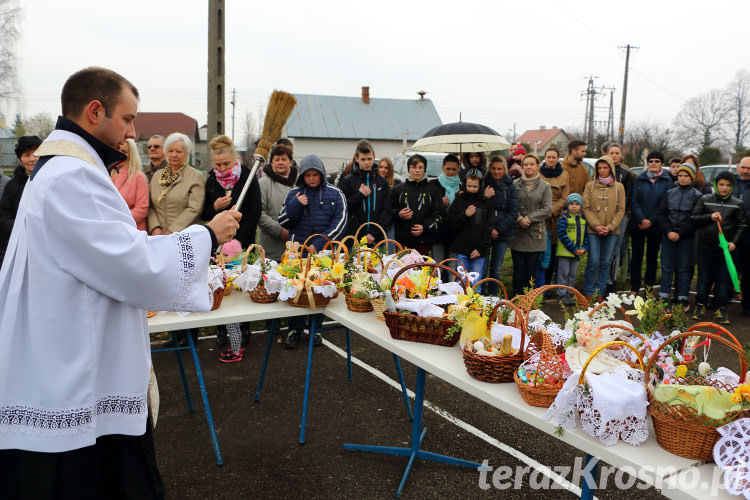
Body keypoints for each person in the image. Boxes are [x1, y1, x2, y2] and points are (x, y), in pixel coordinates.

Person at [0, 67, 240, 500]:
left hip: (60, 355)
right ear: (95, 111)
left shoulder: (59, 170)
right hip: (76, 375)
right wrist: (207, 234)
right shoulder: (74, 177)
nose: (133, 131)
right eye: (128, 119)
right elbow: (132, 264)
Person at [202, 134, 261, 359]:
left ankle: (244, 329)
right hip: (218, 246)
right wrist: (215, 205)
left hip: (241, 243)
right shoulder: (210, 180)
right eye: (218, 164)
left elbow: (254, 211)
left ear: (235, 160)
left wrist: (239, 241)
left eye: (227, 164)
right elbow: (206, 213)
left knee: (239, 287)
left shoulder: (247, 177)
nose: (223, 168)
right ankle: (220, 330)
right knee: (219, 286)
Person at [279, 154, 347, 349]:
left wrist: (320, 243)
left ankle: (315, 330)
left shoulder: (335, 193)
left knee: (318, 292)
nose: (311, 178)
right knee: (297, 292)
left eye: (314, 174)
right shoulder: (294, 194)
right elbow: (283, 221)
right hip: (297, 255)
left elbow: (340, 223)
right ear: (302, 175)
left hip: (322, 255)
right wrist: (296, 205)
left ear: (321, 174)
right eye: (307, 175)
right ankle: (294, 329)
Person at [148, 132, 205, 347]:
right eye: (170, 150)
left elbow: (194, 208)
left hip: (184, 240)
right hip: (160, 239)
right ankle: (174, 334)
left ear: (186, 154)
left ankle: (190, 335)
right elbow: (152, 206)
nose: (173, 155)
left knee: (187, 287)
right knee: (169, 286)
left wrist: (172, 230)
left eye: (178, 151)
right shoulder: (157, 176)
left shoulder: (194, 176)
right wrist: (155, 229)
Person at [690, 171, 746, 325]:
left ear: (732, 187)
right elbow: (694, 218)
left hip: (726, 250)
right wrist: (710, 217)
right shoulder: (705, 199)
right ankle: (700, 305)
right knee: (704, 278)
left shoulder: (737, 203)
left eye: (728, 185)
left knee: (723, 280)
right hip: (706, 247)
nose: (724, 188)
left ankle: (720, 308)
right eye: (721, 184)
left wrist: (733, 242)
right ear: (715, 185)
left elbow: (742, 225)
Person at [655, 164, 702, 307]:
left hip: (686, 238)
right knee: (667, 266)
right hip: (668, 236)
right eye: (680, 175)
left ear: (692, 177)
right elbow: (661, 214)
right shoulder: (669, 193)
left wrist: (680, 233)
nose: (682, 178)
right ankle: (663, 295)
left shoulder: (697, 196)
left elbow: (695, 218)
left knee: (683, 268)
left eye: (686, 176)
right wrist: (669, 231)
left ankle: (682, 296)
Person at [582, 156, 626, 300]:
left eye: (605, 167)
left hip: (612, 231)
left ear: (611, 169)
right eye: (599, 168)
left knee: (606, 261)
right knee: (593, 260)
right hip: (593, 229)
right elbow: (586, 208)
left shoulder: (619, 187)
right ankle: (588, 291)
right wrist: (596, 225)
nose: (602, 171)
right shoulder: (590, 186)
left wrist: (610, 227)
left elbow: (621, 209)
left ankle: (600, 292)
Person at [629, 151, 671, 295]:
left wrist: (651, 221)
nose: (653, 163)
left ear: (662, 164)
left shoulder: (667, 180)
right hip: (638, 225)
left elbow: (664, 204)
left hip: (656, 226)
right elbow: (634, 201)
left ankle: (648, 289)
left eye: (657, 161)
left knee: (652, 258)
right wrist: (641, 219)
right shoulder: (640, 178)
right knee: (636, 257)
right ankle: (634, 288)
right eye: (651, 161)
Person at [509, 154, 552, 296]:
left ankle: (530, 301)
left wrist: (529, 218)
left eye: (532, 164)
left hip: (535, 234)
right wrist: (519, 219)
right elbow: (510, 206)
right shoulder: (515, 185)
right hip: (518, 233)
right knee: (518, 269)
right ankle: (517, 299)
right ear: (522, 167)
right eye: (526, 164)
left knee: (531, 270)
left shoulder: (545, 186)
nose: (529, 167)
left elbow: (546, 209)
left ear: (538, 166)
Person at [446, 168, 493, 291]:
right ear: (464, 185)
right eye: (469, 186)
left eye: (475, 186)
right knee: (462, 283)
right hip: (461, 249)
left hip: (479, 250)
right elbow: (451, 224)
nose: (472, 189)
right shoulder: (459, 201)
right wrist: (465, 215)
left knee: (476, 284)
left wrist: (481, 248)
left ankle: (476, 307)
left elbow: (489, 228)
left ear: (480, 185)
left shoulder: (486, 203)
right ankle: (461, 307)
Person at [338, 139, 392, 244]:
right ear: (356, 159)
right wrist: (359, 195)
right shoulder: (346, 181)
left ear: (374, 157)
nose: (367, 162)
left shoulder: (382, 182)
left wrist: (374, 233)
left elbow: (387, 210)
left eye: (369, 159)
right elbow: (342, 208)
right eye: (363, 159)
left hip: (376, 239)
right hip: (353, 239)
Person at [0, 135, 41, 262]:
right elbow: (4, 217)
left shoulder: (51, 181)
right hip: (18, 247)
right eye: (27, 155)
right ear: (20, 159)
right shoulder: (12, 185)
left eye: (36, 154)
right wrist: (22, 227)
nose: (32, 159)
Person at [390, 154, 443, 254]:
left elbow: (439, 216)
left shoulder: (433, 190)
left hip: (424, 243)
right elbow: (388, 212)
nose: (417, 170)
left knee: (423, 269)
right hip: (402, 242)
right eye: (414, 167)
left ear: (425, 169)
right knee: (402, 269)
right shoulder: (398, 189)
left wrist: (425, 227)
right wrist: (399, 214)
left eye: (420, 167)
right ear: (409, 169)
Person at [483, 156, 518, 295]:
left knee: (496, 267)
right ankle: (480, 294)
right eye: (493, 168)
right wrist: (485, 196)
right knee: (483, 266)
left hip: (503, 233)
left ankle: (492, 295)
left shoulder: (510, 186)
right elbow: (479, 207)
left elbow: (513, 212)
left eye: (499, 169)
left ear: (504, 170)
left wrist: (498, 229)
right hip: (485, 231)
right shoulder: (484, 184)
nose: (496, 171)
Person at [258, 144, 298, 262]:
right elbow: (259, 213)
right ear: (271, 163)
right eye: (277, 159)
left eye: (284, 159)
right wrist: (279, 231)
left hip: (295, 246)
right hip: (271, 247)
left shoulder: (298, 183)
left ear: (290, 162)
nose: (280, 163)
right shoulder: (263, 183)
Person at [605, 143, 634, 291]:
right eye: (611, 152)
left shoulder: (626, 174)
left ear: (621, 155)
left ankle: (611, 280)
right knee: (602, 249)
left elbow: (628, 198)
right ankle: (601, 280)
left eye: (617, 153)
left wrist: (618, 214)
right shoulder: (601, 171)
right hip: (602, 216)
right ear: (607, 154)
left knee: (615, 250)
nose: (614, 155)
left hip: (619, 217)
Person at [539, 146, 570, 285]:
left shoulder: (564, 175)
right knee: (541, 249)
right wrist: (545, 211)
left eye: (553, 157)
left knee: (553, 249)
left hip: (556, 216)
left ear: (558, 159)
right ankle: (539, 282)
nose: (551, 159)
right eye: (548, 157)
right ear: (544, 158)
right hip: (541, 215)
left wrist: (553, 210)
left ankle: (550, 281)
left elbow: (565, 196)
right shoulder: (538, 173)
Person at [556, 193, 589, 304]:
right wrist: (573, 248)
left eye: (577, 204)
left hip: (577, 253)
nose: (574, 206)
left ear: (580, 206)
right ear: (567, 205)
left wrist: (584, 248)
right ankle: (561, 294)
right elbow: (562, 234)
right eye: (571, 204)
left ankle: (569, 294)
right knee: (563, 274)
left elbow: (587, 236)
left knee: (572, 274)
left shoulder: (584, 219)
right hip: (565, 252)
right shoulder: (564, 218)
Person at [429, 154, 461, 266]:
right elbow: (427, 208)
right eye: (448, 169)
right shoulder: (433, 184)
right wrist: (440, 203)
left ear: (458, 169)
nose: (451, 172)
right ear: (443, 168)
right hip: (438, 232)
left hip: (456, 233)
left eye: (454, 169)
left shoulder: (462, 186)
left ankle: (452, 284)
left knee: (453, 267)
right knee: (438, 266)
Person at [111, 138, 149, 230]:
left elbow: (142, 209)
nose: (119, 154)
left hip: (132, 229)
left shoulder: (139, 177)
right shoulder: (107, 174)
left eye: (124, 151)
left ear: (132, 155)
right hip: (111, 228)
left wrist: (119, 220)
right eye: (117, 150)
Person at [735, 156, 750, 316]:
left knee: (747, 271)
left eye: (749, 169)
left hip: (748, 235)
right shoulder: (732, 183)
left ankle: (747, 304)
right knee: (727, 269)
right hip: (730, 234)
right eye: (743, 167)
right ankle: (722, 301)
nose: (745, 171)